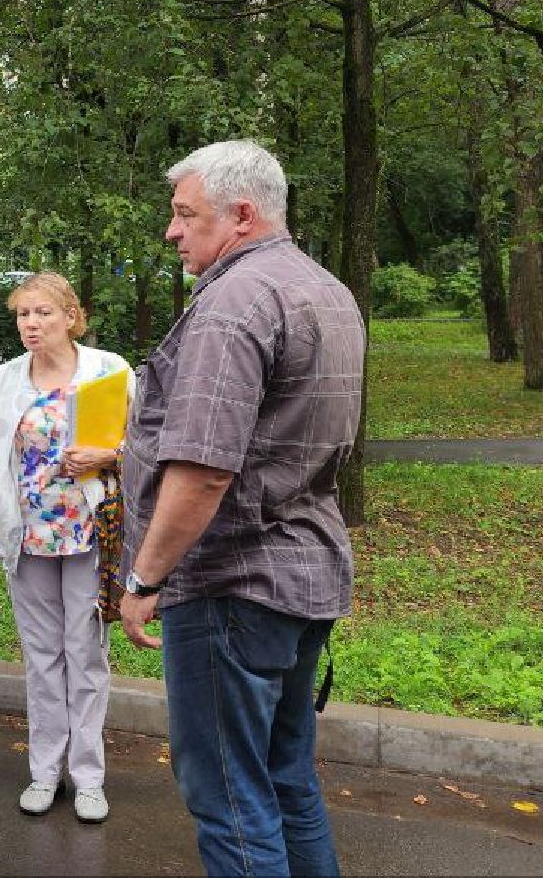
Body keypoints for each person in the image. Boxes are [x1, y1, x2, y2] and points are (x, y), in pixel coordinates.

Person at [117, 140, 363, 878]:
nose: (171, 231)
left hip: (233, 586)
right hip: (304, 575)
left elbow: (199, 471)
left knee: (228, 792)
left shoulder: (231, 303)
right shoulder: (325, 289)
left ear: (241, 215)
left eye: (184, 214)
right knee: (285, 777)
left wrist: (144, 580)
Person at [0, 272, 129, 822]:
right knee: (42, 659)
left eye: (42, 313)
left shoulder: (109, 370)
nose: (30, 324)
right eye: (23, 315)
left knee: (86, 654)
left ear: (71, 316)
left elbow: (144, 443)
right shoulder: (4, 381)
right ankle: (45, 771)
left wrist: (105, 458)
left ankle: (89, 777)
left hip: (89, 534)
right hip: (27, 536)